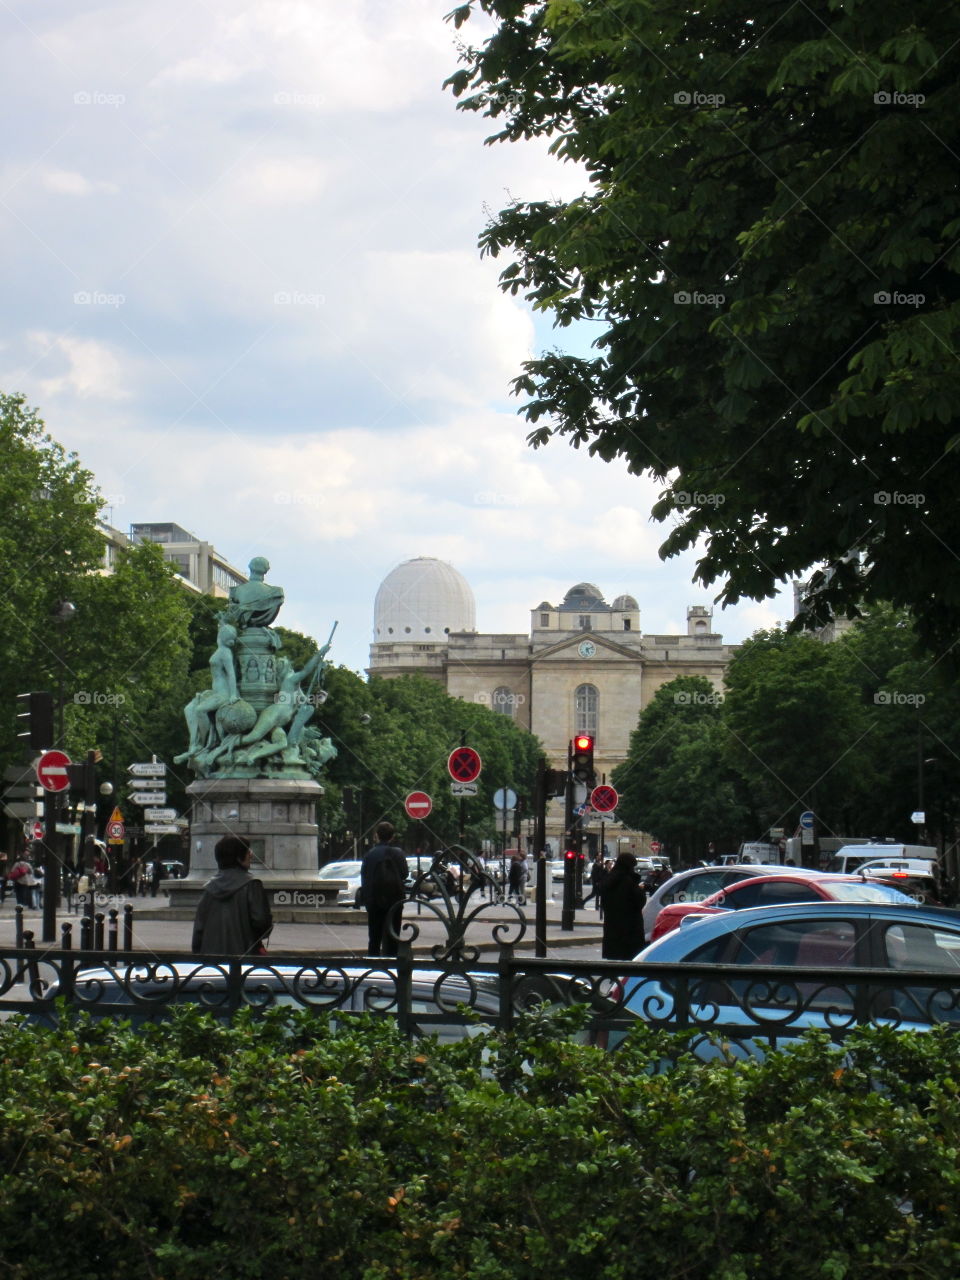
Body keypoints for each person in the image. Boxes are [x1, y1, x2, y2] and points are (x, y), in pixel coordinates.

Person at [191, 835, 273, 955]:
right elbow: (261, 922)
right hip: (245, 956)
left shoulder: (209, 889)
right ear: (238, 858)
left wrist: (199, 954)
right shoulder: (252, 885)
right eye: (247, 851)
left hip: (212, 960)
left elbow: (199, 929)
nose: (251, 854)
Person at [360, 821, 408, 957]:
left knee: (374, 938)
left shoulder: (370, 855)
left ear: (376, 836)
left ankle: (373, 966)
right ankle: (392, 964)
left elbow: (364, 876)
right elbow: (404, 874)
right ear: (392, 836)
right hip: (395, 900)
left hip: (374, 901)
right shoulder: (398, 853)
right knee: (393, 936)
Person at [600, 852, 647, 960]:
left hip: (612, 929)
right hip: (630, 931)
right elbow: (639, 901)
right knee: (629, 966)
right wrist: (640, 889)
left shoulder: (609, 879)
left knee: (614, 964)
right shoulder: (628, 881)